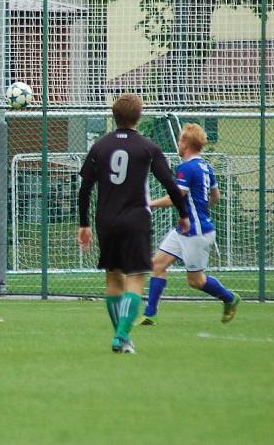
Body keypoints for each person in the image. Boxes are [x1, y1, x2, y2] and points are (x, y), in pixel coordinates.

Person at [77, 93, 189, 354]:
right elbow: (170, 184)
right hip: (136, 219)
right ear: (138, 117)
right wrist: (183, 213)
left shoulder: (100, 146)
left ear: (114, 116)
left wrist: (83, 224)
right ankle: (121, 335)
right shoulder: (148, 147)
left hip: (106, 220)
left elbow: (84, 188)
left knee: (113, 279)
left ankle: (122, 337)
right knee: (136, 279)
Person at [140, 123, 240, 325]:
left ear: (186, 143)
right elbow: (215, 196)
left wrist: (149, 204)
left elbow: (175, 198)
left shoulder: (186, 167)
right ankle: (149, 315)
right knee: (157, 264)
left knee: (196, 281)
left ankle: (230, 298)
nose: (178, 143)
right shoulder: (206, 166)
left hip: (196, 232)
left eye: (180, 140)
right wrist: (197, 210)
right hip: (186, 228)